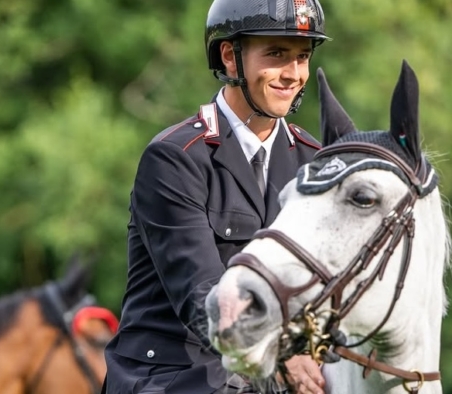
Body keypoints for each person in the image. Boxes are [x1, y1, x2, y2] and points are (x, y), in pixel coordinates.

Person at [103, 0, 331, 392]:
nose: (293, 74)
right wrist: (280, 354)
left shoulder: (314, 160)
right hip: (177, 376)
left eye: (302, 57)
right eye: (276, 54)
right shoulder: (176, 158)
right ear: (230, 57)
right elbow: (203, 296)